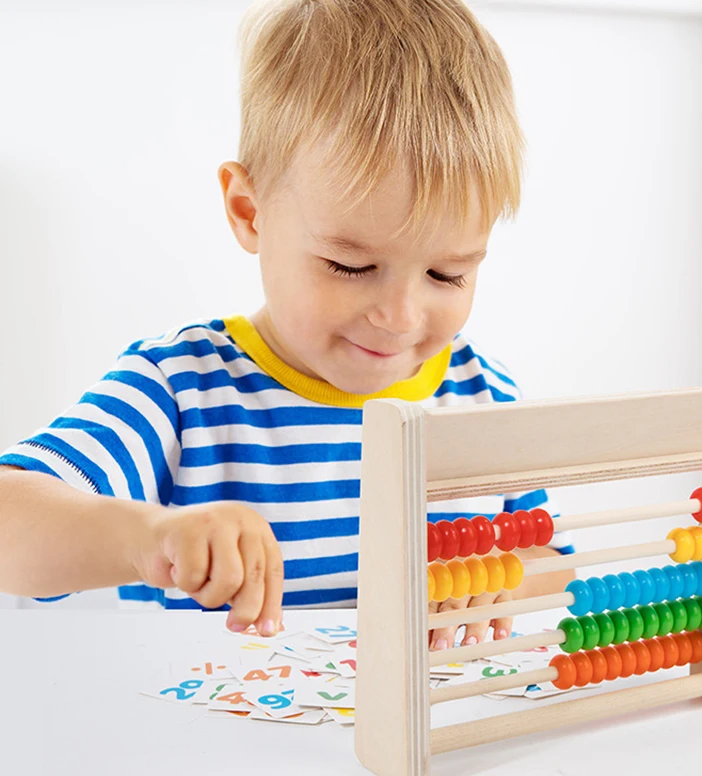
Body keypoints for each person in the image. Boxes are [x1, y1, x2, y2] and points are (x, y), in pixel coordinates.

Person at [0, 0, 574, 650]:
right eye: (350, 265)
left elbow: (553, 559)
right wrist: (150, 539)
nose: (400, 317)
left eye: (447, 275)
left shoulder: (481, 397)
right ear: (249, 212)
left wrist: (503, 577)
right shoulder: (183, 390)